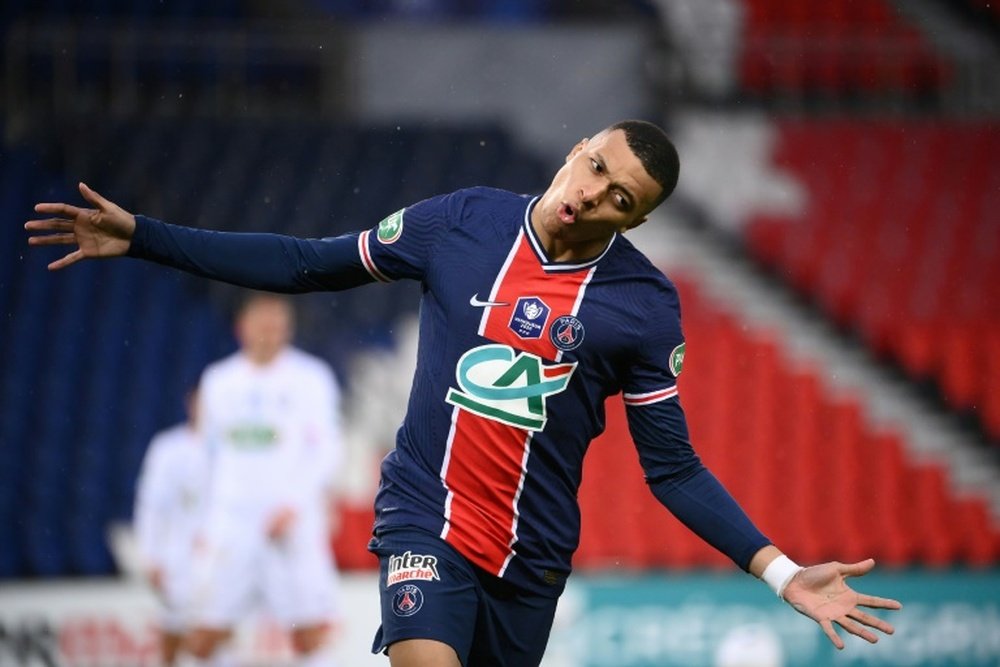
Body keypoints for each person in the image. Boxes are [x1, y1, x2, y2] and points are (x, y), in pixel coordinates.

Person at [27, 119, 901, 667]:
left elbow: (670, 470)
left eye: (616, 196)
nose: (588, 194)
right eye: (592, 166)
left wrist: (782, 572)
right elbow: (305, 263)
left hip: (533, 561)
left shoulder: (642, 307)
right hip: (426, 517)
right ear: (574, 149)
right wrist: (145, 236)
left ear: (633, 221)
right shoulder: (463, 221)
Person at [182, 292, 345, 667]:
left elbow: (326, 450)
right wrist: (203, 522)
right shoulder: (219, 381)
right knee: (205, 634)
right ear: (243, 327)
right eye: (263, 321)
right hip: (231, 523)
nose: (270, 330)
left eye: (278, 322)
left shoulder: (311, 378)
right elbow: (206, 456)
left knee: (310, 633)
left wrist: (293, 501)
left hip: (292, 521)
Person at [133, 387, 209, 666]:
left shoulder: (230, 448)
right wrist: (150, 555)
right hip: (177, 554)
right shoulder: (168, 448)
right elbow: (151, 504)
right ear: (190, 403)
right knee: (174, 628)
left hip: (219, 555)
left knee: (216, 630)